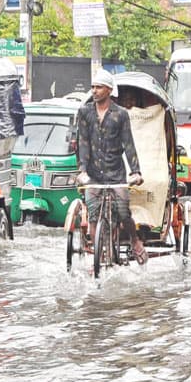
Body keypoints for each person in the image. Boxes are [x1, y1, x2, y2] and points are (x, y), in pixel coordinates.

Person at [76, 69, 147, 264]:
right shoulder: (84, 113)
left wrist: (136, 171)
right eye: (93, 87)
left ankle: (134, 241)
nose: (95, 91)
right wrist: (82, 170)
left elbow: (128, 144)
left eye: (99, 87)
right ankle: (98, 253)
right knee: (92, 213)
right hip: (93, 175)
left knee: (123, 211)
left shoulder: (120, 114)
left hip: (116, 173)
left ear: (108, 90)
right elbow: (82, 143)